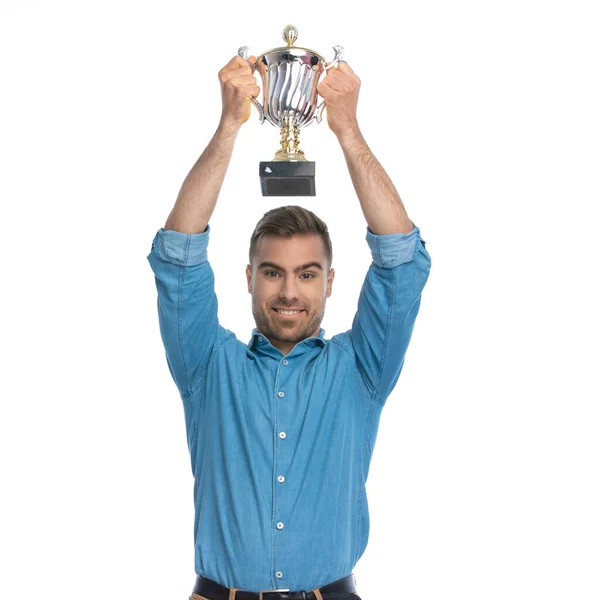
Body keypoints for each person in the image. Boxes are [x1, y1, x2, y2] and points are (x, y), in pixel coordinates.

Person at [147, 54, 432, 600]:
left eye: (307, 274)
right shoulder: (207, 364)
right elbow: (178, 259)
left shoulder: (362, 368)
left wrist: (347, 130)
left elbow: (401, 260)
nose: (289, 292)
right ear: (250, 278)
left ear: (329, 282)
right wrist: (229, 125)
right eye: (273, 273)